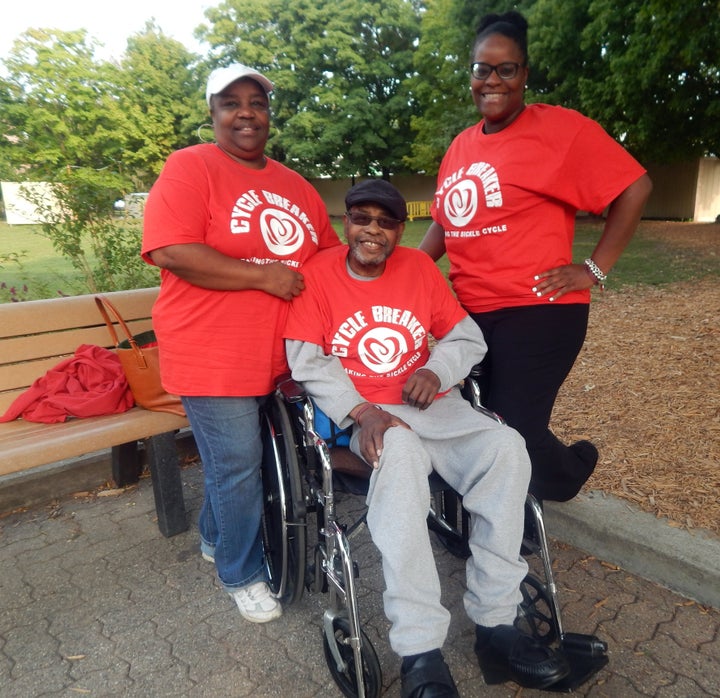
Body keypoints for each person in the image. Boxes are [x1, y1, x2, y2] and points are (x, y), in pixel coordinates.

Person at [284, 179, 570, 697]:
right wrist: (361, 410)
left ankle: (496, 624)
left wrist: (438, 370)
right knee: (401, 451)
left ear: (400, 231)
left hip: (434, 406)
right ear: (345, 224)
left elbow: (466, 337)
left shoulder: (418, 269)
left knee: (506, 448)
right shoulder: (318, 274)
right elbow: (306, 359)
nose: (372, 230)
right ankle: (419, 648)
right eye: (361, 218)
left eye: (386, 222)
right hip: (367, 414)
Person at [419, 11, 652, 503]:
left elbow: (635, 186)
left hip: (537, 311)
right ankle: (501, 504)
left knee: (513, 426)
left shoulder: (560, 130)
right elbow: (445, 220)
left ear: (524, 73)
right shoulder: (461, 145)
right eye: (482, 69)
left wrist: (593, 268)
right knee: (469, 419)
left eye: (507, 69)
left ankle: (560, 478)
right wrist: (411, 273)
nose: (493, 81)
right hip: (468, 312)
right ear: (471, 73)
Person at [141, 63, 340, 623]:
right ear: (213, 113)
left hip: (281, 355)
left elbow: (325, 258)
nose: (246, 112)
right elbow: (172, 250)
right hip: (213, 353)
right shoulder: (192, 167)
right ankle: (241, 572)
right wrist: (264, 276)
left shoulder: (295, 184)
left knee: (237, 465)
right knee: (237, 468)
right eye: (231, 103)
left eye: (257, 102)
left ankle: (215, 536)